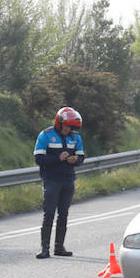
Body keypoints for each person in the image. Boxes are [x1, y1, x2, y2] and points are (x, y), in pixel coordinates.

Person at [33, 106, 85, 258]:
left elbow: (81, 157)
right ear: (59, 123)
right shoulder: (46, 135)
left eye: (71, 127)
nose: (68, 129)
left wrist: (75, 160)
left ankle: (59, 247)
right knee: (49, 213)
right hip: (51, 180)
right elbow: (38, 158)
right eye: (67, 126)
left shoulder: (76, 138)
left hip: (68, 180)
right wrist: (58, 158)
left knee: (63, 214)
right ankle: (44, 249)